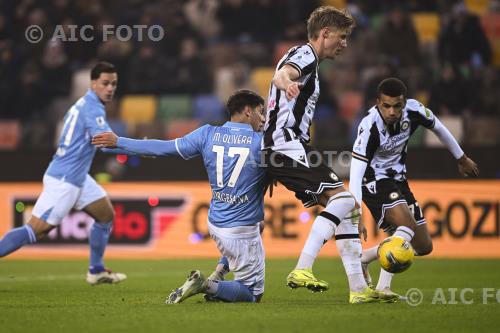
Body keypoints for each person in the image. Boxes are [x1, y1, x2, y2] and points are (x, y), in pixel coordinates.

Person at [92, 90, 267, 303]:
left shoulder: (207, 133)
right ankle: (206, 285)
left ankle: (218, 274)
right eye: (261, 111)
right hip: (240, 228)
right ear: (247, 111)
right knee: (252, 294)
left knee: (260, 225)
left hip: (216, 223)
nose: (264, 118)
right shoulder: (262, 142)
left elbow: (161, 148)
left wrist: (119, 141)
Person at [262, 6, 383, 303]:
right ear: (325, 33)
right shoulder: (305, 55)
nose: (344, 44)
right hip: (285, 143)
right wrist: (287, 82)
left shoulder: (311, 62)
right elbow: (282, 74)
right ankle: (302, 268)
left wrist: (289, 84)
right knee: (343, 200)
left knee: (349, 210)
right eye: (341, 37)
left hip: (291, 145)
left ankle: (358, 290)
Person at [349, 77, 479, 299]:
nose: (391, 112)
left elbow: (439, 127)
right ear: (378, 102)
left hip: (399, 180)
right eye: (386, 106)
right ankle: (383, 287)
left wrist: (461, 157)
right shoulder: (369, 127)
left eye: (397, 106)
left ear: (404, 102)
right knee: (406, 226)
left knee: (423, 245)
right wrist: (356, 212)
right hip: (373, 182)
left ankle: (364, 259)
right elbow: (355, 175)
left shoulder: (415, 110)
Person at [0, 61, 127, 285]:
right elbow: (104, 142)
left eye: (114, 84)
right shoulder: (93, 108)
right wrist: (138, 147)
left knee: (105, 215)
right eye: (105, 83)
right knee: (36, 230)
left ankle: (96, 270)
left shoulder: (84, 103)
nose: (110, 88)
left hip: (78, 176)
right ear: (93, 83)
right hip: (65, 179)